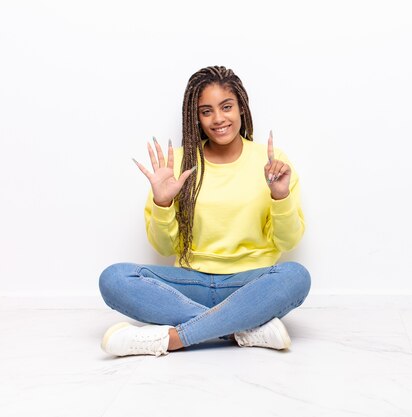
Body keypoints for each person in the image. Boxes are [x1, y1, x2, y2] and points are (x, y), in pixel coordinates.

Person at [98, 65, 311, 357]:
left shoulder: (271, 161)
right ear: (195, 117)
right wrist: (162, 203)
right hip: (190, 282)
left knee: (296, 276)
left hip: (249, 284)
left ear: (241, 109)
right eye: (206, 111)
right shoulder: (179, 163)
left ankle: (174, 339)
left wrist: (280, 195)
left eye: (227, 107)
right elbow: (163, 247)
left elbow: (288, 242)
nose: (219, 119)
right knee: (113, 279)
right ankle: (242, 327)